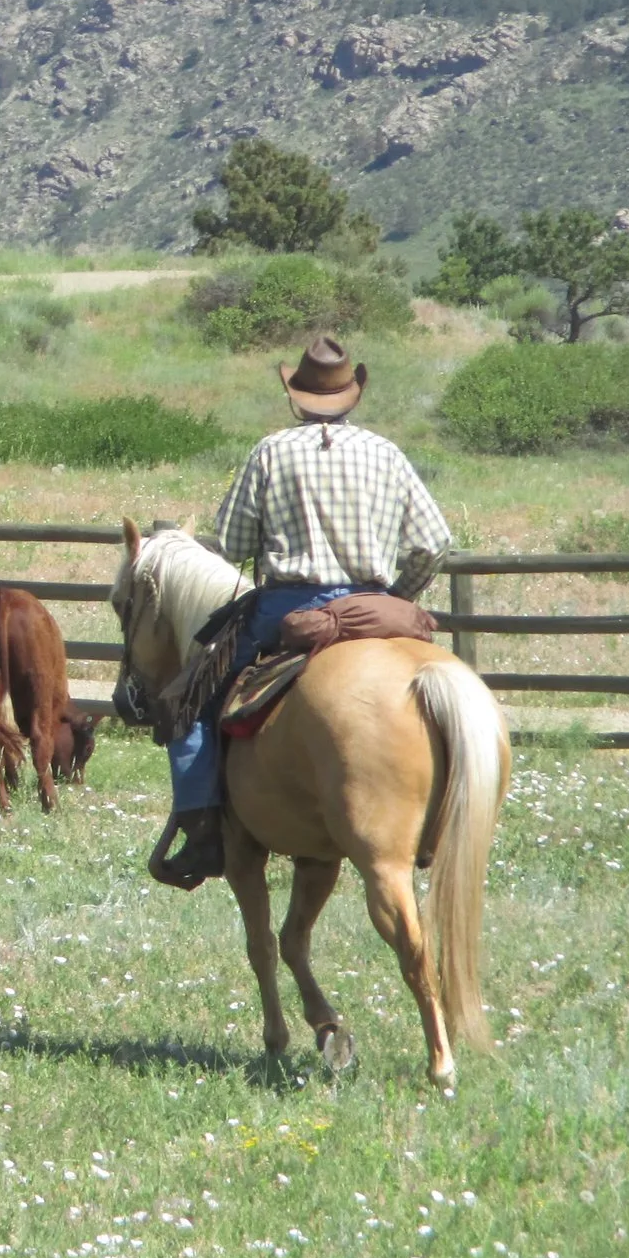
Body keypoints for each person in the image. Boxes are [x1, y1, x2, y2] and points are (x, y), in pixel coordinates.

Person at [151, 336, 451, 890]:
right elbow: (434, 544)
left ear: (297, 398)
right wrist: (397, 600)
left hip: (291, 607)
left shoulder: (270, 451)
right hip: (375, 605)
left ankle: (202, 833)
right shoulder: (387, 453)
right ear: (352, 396)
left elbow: (232, 542)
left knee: (190, 701)